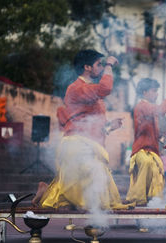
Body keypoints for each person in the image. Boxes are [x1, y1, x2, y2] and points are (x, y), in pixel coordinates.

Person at [32, 49, 132, 210]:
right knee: (90, 201)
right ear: (87, 67)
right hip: (77, 146)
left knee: (98, 199)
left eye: (101, 64)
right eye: (98, 64)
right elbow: (105, 89)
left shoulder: (89, 91)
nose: (100, 67)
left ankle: (46, 190)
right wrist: (109, 65)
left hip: (90, 146)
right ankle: (46, 193)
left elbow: (93, 125)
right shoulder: (76, 88)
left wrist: (109, 127)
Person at [125, 78, 166, 206]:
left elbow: (152, 131)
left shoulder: (149, 109)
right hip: (141, 150)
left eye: (157, 91)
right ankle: (136, 200)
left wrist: (162, 136)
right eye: (154, 91)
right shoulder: (143, 105)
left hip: (152, 151)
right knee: (147, 163)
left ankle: (152, 205)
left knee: (157, 171)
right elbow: (161, 110)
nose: (157, 94)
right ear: (144, 92)